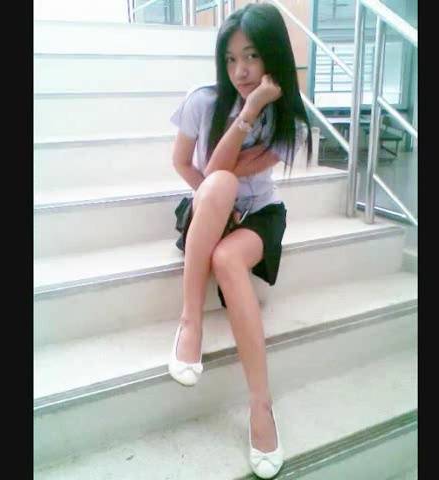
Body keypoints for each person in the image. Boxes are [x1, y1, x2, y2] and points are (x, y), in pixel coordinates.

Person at [167, 3, 312, 478]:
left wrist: (252, 110)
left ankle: (260, 405)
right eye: (231, 59)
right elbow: (196, 168)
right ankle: (190, 323)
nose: (241, 71)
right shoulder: (202, 101)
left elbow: (224, 165)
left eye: (251, 56)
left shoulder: (288, 121)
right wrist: (211, 200)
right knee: (219, 186)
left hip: (259, 215)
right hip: (210, 203)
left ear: (273, 55)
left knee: (229, 259)